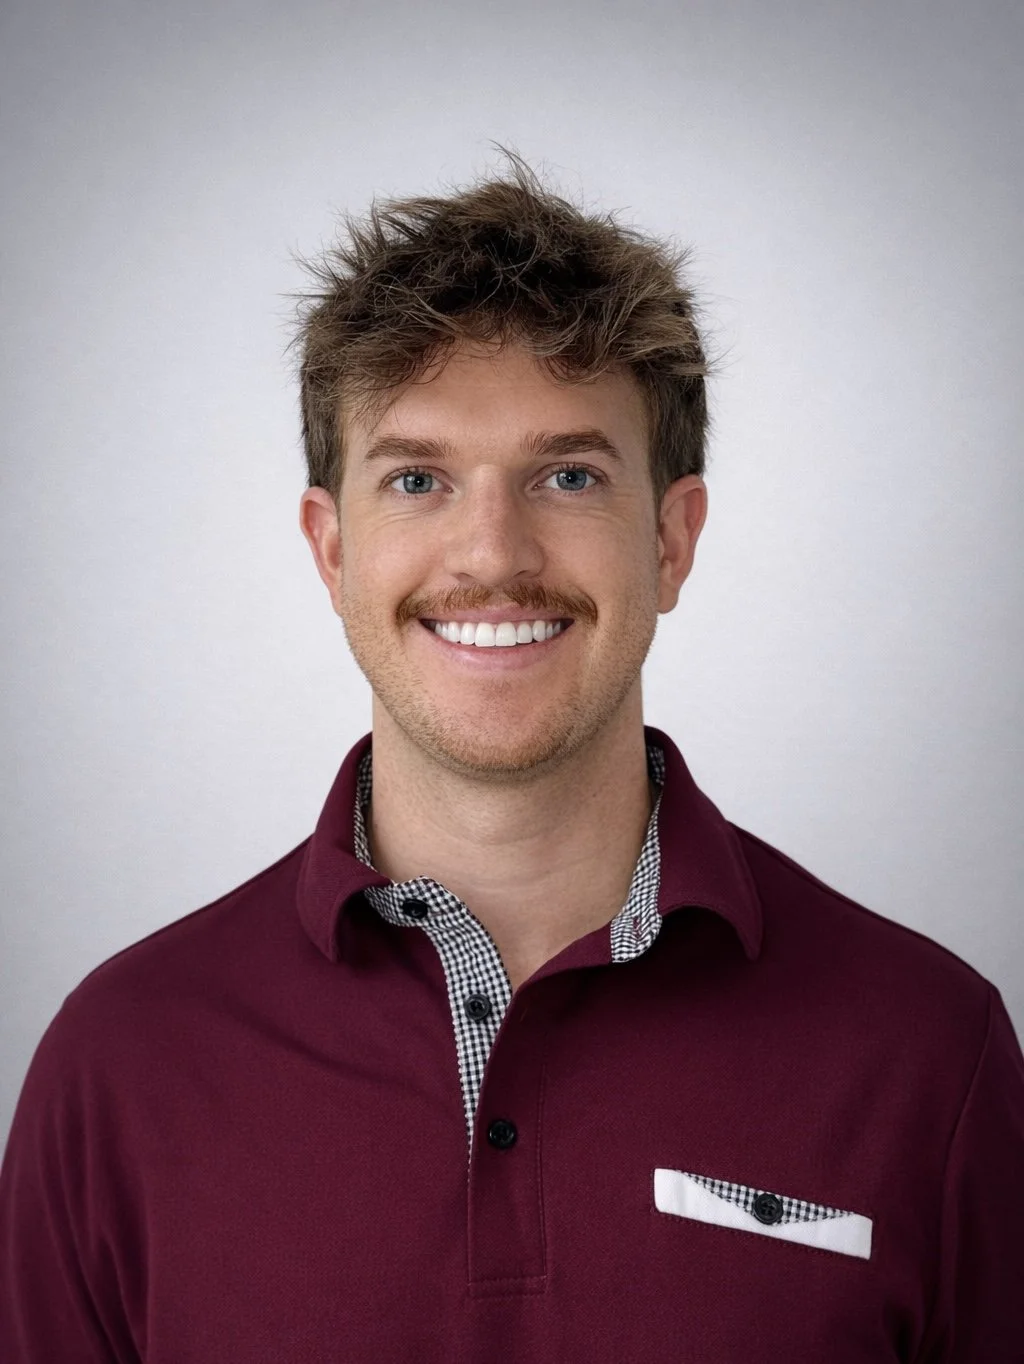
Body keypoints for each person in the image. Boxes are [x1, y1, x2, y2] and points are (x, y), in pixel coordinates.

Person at [1, 154, 1022, 1364]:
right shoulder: (120, 1064)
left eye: (569, 474)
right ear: (332, 551)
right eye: (418, 478)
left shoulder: (929, 1052)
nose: (492, 552)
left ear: (671, 537)